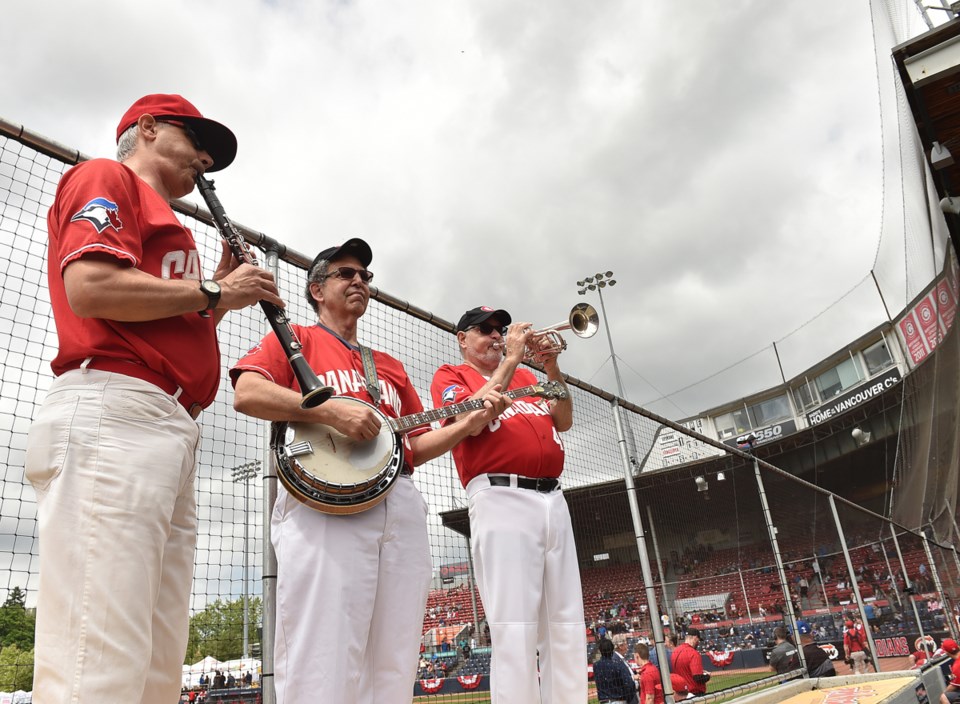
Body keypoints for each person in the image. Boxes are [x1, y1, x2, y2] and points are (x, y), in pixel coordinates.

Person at [24, 93, 276, 704]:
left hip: (165, 422)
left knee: (156, 665)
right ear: (147, 128)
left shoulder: (178, 230)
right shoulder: (106, 177)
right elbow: (90, 285)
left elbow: (176, 328)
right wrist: (214, 288)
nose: (205, 158)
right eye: (195, 139)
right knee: (100, 654)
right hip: (115, 409)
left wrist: (213, 288)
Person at [232, 240, 508, 703]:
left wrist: (467, 424)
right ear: (317, 289)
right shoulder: (295, 338)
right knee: (323, 652)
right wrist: (328, 412)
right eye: (346, 273)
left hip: (398, 499)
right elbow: (247, 392)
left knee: (395, 657)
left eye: (366, 276)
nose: (360, 280)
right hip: (324, 506)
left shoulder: (391, 366)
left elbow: (415, 446)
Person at [430, 306, 585, 703]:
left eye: (500, 329)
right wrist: (514, 355)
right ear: (462, 338)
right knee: (514, 625)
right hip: (501, 496)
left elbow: (563, 420)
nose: (497, 335)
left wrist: (550, 368)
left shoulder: (528, 377)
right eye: (485, 330)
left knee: (565, 623)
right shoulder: (451, 375)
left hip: (552, 495)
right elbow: (472, 418)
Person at [594, 639, 639, 704]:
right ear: (612, 649)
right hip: (618, 700)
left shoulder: (596, 665)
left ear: (600, 650)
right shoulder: (617, 664)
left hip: (604, 701)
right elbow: (628, 683)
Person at [670, 628, 710, 698]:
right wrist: (708, 676)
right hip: (694, 694)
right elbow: (698, 678)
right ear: (695, 638)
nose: (698, 642)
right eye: (698, 640)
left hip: (680, 694)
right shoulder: (693, 653)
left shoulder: (675, 651)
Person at [941, 638, 960, 704]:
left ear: (946, 652)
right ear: (957, 646)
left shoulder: (957, 665)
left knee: (943, 697)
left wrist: (943, 693)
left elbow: (953, 686)